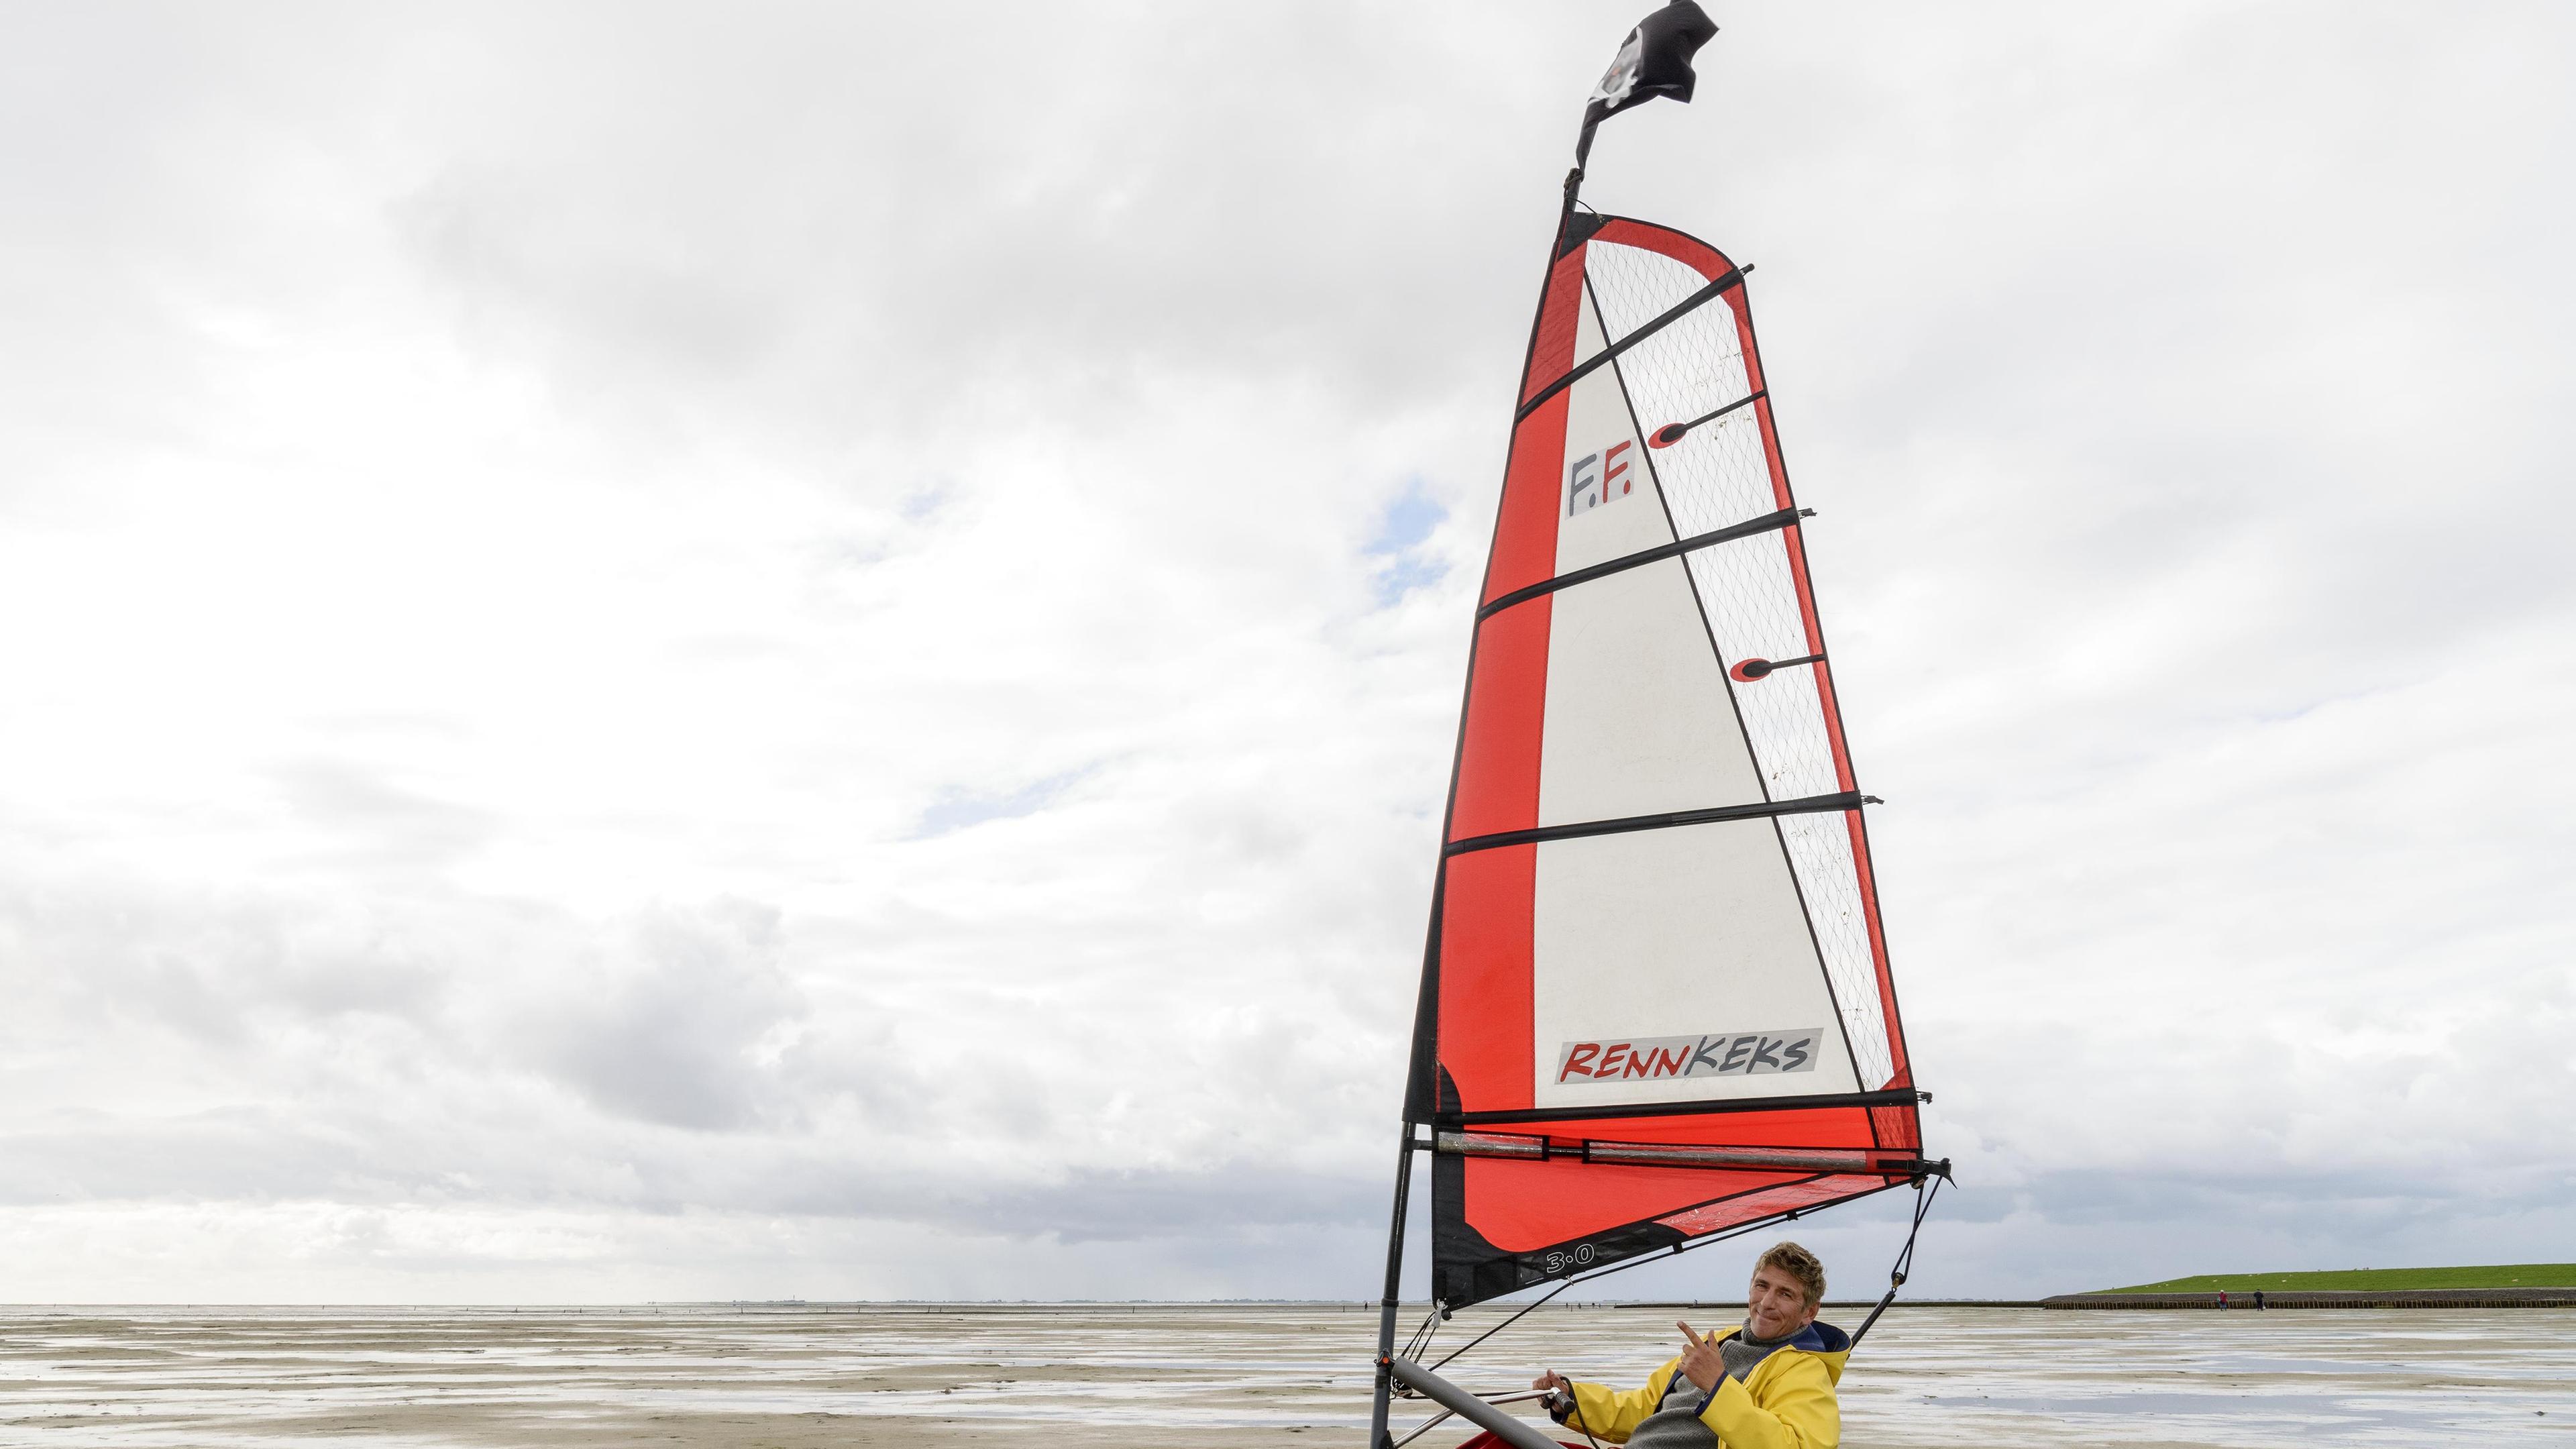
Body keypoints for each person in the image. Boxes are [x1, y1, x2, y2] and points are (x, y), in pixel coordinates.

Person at [1531, 1241, 1846, 1448]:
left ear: (1810, 1312)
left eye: (1785, 1294)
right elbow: (1644, 1408)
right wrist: (1572, 1398)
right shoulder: (1718, 1342)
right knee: (1495, 1440)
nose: (1766, 1302)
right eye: (1761, 1286)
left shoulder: (1806, 1371)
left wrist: (1718, 1387)